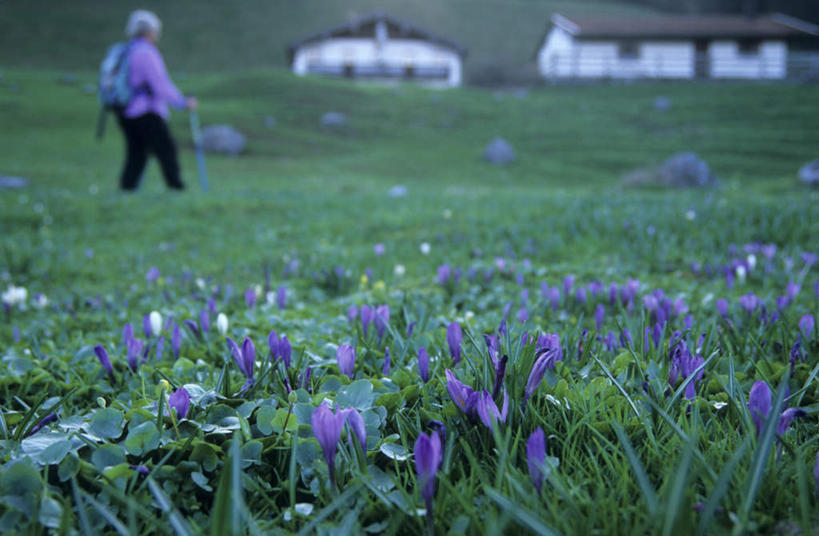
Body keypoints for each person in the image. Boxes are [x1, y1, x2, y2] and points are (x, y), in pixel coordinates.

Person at [117, 10, 197, 191]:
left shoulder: (127, 51)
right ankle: (176, 188)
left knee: (136, 152)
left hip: (125, 110)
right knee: (166, 149)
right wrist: (182, 102)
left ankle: (127, 189)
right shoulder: (147, 53)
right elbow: (160, 84)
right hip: (146, 110)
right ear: (150, 31)